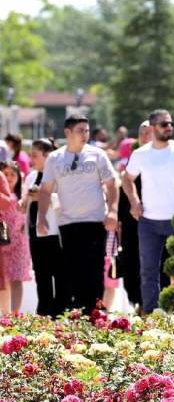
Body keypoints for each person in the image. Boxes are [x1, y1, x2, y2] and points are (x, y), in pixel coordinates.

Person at [37, 114, 119, 314]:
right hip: (68, 223)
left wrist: (114, 211)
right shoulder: (55, 158)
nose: (85, 134)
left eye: (87, 130)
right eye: (80, 130)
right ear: (67, 132)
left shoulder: (97, 154)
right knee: (72, 272)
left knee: (94, 271)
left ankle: (94, 315)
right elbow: (45, 190)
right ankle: (77, 317)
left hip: (95, 222)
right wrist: (41, 218)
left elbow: (111, 184)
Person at [124, 110, 174, 313]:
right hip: (149, 222)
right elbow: (127, 179)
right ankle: (152, 313)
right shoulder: (140, 154)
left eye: (170, 123)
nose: (168, 127)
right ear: (152, 128)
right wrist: (134, 201)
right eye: (163, 124)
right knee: (148, 271)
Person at [24, 139, 67, 316]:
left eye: (35, 155)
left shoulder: (59, 176)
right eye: (31, 154)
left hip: (54, 232)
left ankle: (60, 311)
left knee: (59, 274)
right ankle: (44, 311)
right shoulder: (31, 177)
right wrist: (23, 203)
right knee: (41, 275)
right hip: (35, 232)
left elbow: (64, 200)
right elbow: (27, 200)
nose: (31, 159)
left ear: (47, 156)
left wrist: (42, 197)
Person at [116, 122, 151, 311]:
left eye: (148, 133)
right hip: (132, 221)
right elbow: (123, 191)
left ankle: (152, 304)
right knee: (131, 261)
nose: (145, 136)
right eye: (142, 133)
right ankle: (137, 302)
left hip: (156, 221)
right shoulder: (132, 162)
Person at [0, 162, 32, 313]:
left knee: (17, 278)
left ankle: (14, 315)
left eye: (13, 174)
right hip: (2, 242)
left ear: (19, 177)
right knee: (4, 281)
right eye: (5, 174)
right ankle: (5, 316)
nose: (9, 177)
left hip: (19, 243)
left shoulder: (23, 197)